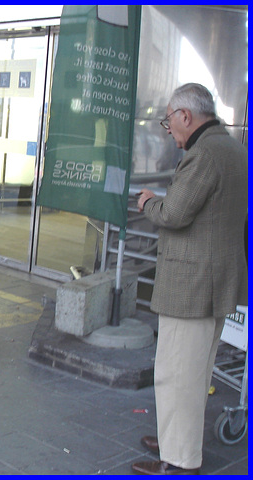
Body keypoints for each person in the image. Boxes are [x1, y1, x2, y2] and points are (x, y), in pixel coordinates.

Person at [132, 83, 248, 475]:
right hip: (215, 280)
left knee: (178, 374)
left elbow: (175, 214)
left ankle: (179, 459)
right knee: (195, 372)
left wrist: (149, 201)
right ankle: (175, 440)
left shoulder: (206, 154)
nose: (170, 131)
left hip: (193, 284)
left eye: (169, 121)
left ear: (186, 116)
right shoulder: (232, 147)